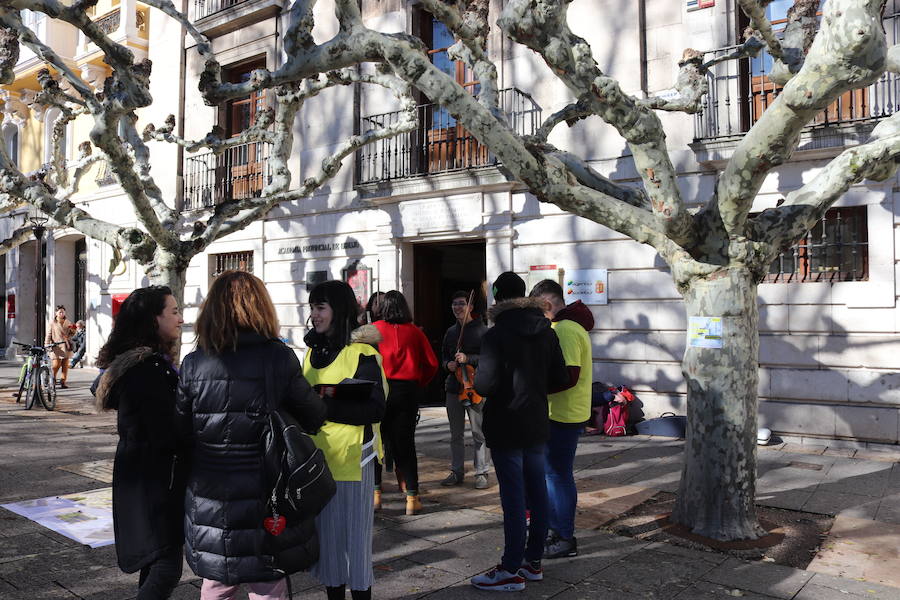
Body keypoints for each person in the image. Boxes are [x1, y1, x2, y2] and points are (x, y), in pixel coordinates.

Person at [176, 271, 327, 600]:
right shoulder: (278, 357)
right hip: (267, 490)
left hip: (210, 492)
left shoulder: (193, 363)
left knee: (217, 581)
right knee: (267, 582)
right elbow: (314, 416)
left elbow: (180, 430)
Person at [471, 272, 568, 592]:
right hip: (537, 421)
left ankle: (511, 567)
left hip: (505, 423)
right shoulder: (546, 330)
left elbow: (484, 384)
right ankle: (533, 562)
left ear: (498, 299)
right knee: (537, 492)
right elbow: (559, 377)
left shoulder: (495, 335)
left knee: (513, 498)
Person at [93, 286, 186, 599]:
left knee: (156, 562)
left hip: (145, 480)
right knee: (165, 567)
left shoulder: (147, 366)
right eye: (173, 312)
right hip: (153, 484)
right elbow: (167, 433)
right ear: (152, 319)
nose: (180, 318)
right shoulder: (147, 371)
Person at [303, 280, 388, 600]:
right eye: (312, 307)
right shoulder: (311, 352)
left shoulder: (363, 353)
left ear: (338, 310)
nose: (314, 315)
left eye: (320, 307)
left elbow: (375, 409)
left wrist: (320, 405)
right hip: (316, 463)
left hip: (353, 461)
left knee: (355, 543)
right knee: (328, 547)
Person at [529, 279, 594, 559]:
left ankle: (564, 537)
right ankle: (556, 531)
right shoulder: (566, 326)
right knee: (553, 475)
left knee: (557, 476)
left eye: (537, 309)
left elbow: (569, 376)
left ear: (547, 304)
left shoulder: (565, 329)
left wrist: (534, 388)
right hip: (562, 412)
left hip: (562, 414)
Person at [372, 290, 438, 515]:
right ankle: (412, 498)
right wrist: (420, 382)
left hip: (381, 390)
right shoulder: (415, 332)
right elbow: (431, 364)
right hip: (407, 392)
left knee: (377, 444)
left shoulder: (374, 331)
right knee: (406, 445)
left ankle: (376, 495)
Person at [440, 290, 490, 489]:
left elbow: (488, 359)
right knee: (455, 434)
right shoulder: (451, 332)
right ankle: (457, 471)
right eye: (454, 304)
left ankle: (482, 472)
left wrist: (468, 359)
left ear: (470, 307)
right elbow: (443, 357)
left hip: (475, 388)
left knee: (479, 433)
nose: (457, 307)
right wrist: (447, 366)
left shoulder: (482, 331)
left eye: (461, 303)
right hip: (454, 387)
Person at [46, 305, 74, 388]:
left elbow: (71, 334)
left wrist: (73, 330)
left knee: (65, 365)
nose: (62, 313)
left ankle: (63, 381)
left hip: (66, 346)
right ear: (56, 313)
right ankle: (52, 379)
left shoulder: (68, 322)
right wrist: (47, 344)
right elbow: (48, 335)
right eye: (60, 312)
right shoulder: (52, 323)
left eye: (63, 312)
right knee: (56, 365)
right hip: (56, 346)